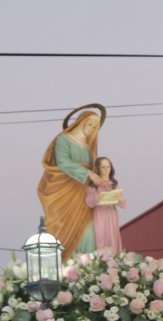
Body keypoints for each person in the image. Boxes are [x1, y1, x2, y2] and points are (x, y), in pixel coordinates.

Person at [37, 106, 105, 258]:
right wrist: (88, 173)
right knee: (64, 229)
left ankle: (87, 269)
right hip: (65, 192)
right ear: (81, 122)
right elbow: (63, 163)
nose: (92, 128)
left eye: (96, 127)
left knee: (89, 231)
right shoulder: (64, 139)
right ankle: (67, 267)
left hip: (84, 195)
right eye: (90, 124)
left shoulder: (89, 147)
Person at [86, 156, 126, 254]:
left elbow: (123, 204)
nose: (106, 169)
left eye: (108, 166)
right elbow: (88, 201)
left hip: (111, 213)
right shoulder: (94, 185)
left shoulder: (114, 184)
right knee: (100, 237)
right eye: (103, 167)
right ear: (98, 169)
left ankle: (114, 261)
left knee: (112, 237)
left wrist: (120, 199)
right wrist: (97, 197)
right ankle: (101, 262)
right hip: (99, 214)